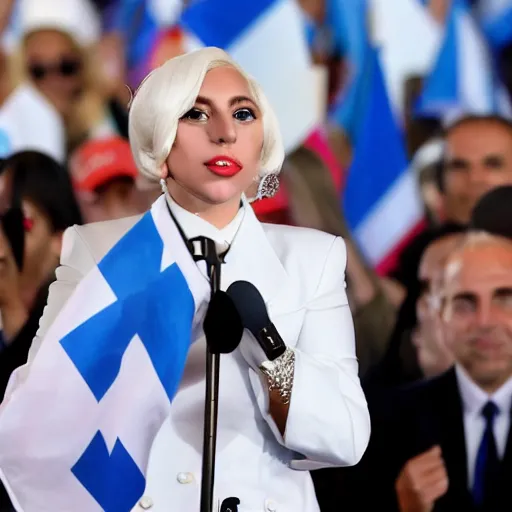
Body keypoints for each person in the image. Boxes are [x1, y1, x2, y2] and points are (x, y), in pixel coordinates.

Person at [8, 47, 370, 511]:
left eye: (243, 113)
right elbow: (39, 415)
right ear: (159, 143)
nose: (224, 133)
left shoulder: (313, 257)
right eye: (196, 114)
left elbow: (345, 439)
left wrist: (267, 345)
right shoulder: (99, 251)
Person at [342, 231, 512, 511]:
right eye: (464, 303)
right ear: (438, 313)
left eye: (504, 299)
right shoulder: (382, 424)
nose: (485, 321)